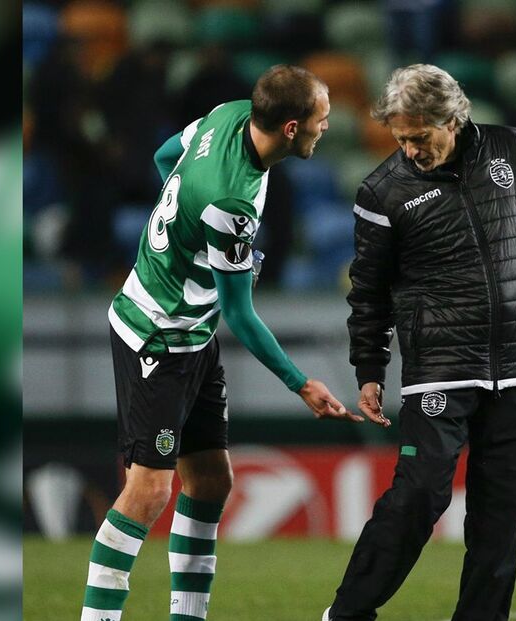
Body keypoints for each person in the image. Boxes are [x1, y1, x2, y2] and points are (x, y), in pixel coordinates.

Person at [80, 65, 385, 621]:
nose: (328, 123)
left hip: (191, 330)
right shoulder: (231, 203)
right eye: (321, 116)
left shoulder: (226, 116)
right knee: (149, 493)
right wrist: (302, 384)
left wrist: (185, 237)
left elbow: (163, 159)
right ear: (291, 128)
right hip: (158, 335)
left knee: (213, 481)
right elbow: (242, 317)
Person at [322, 64, 516, 621]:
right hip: (440, 369)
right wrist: (369, 368)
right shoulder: (382, 189)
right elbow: (368, 292)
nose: (411, 150)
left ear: (454, 118)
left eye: (420, 138)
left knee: (499, 517)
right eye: (401, 140)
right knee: (419, 494)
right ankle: (347, 613)